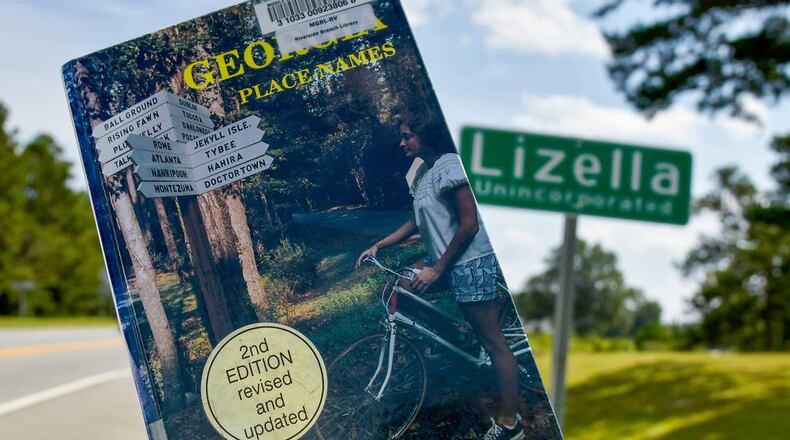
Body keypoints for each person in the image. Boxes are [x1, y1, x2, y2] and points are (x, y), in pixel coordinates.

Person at [355, 114, 525, 440]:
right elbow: (415, 221)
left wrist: (437, 270)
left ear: (425, 136)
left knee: (493, 343)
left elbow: (469, 224)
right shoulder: (424, 173)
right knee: (399, 287)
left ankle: (510, 423)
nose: (402, 143)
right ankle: (457, 335)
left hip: (469, 261)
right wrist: (379, 244)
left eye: (407, 136)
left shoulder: (450, 165)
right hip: (444, 260)